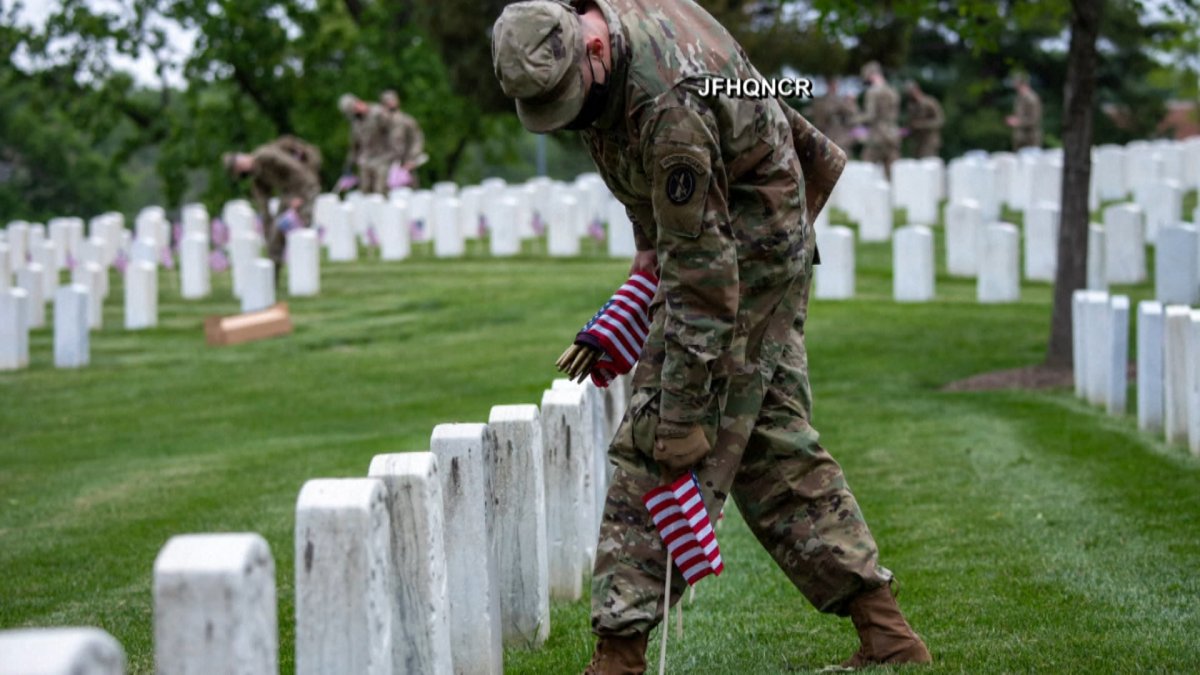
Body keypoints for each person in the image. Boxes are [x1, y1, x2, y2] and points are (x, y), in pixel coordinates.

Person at [491, 1, 932, 673]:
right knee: (769, 439)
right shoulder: (590, 35)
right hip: (744, 224)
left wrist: (686, 412)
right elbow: (644, 187)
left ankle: (619, 655)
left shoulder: (668, 105)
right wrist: (646, 259)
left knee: (657, 438)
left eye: (571, 99)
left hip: (746, 244)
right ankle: (888, 634)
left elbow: (704, 275)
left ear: (594, 50)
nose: (572, 116)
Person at [223, 143, 320, 285]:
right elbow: (264, 209)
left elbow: (296, 169)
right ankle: (271, 279)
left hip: (304, 187)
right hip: (289, 194)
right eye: (238, 169)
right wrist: (268, 233)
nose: (242, 167)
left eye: (239, 164)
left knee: (302, 229)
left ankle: (306, 279)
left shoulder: (266, 156)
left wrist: (298, 197)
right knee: (276, 232)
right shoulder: (258, 179)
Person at [338, 93, 394, 194]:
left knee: (380, 191)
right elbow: (355, 146)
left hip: (382, 158)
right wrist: (349, 166)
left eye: (354, 109)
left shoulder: (378, 112)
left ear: (359, 103)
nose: (355, 113)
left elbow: (393, 133)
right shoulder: (356, 122)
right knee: (365, 191)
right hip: (366, 160)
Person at [857, 61, 901, 179]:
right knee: (892, 173)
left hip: (878, 136)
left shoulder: (872, 92)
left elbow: (870, 115)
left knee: (866, 168)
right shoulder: (892, 91)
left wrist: (854, 119)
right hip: (892, 135)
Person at [380, 90, 427, 186]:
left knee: (409, 191)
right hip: (386, 164)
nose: (390, 103)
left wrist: (412, 158)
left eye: (392, 100)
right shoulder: (380, 123)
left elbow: (417, 139)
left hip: (405, 162)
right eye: (387, 101)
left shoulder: (407, 121)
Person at [810, 77, 858, 152]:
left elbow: (852, 111)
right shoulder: (824, 100)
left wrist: (850, 103)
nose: (835, 87)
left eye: (835, 85)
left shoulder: (840, 99)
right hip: (829, 130)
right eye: (833, 85)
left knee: (841, 150)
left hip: (840, 130)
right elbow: (825, 113)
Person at [904, 81, 944, 159]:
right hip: (917, 143)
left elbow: (940, 121)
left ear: (917, 90)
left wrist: (921, 125)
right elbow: (911, 123)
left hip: (929, 142)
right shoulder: (911, 106)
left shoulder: (930, 102)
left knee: (928, 165)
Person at [1006, 72, 1043, 150]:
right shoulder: (1019, 98)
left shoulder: (1032, 99)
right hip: (1020, 138)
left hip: (1030, 139)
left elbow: (1035, 120)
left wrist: (1018, 122)